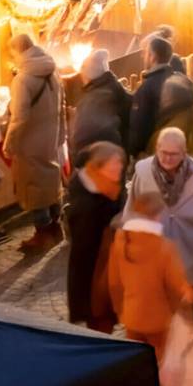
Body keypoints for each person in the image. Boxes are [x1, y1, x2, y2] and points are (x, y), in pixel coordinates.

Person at [106, 189, 193, 370]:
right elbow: (177, 287)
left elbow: (114, 283)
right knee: (160, 366)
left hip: (131, 317)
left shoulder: (120, 242)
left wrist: (120, 310)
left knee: (139, 365)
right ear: (158, 215)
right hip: (158, 321)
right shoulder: (165, 248)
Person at [125, 126, 193, 287]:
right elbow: (130, 211)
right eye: (163, 152)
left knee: (190, 310)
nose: (167, 158)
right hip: (151, 259)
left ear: (184, 153)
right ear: (157, 149)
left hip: (189, 260)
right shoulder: (143, 173)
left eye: (173, 154)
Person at [5, 32, 64, 252]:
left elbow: (19, 116)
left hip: (30, 140)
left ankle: (42, 233)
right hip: (50, 134)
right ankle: (56, 227)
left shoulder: (22, 78)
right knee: (50, 178)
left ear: (18, 51)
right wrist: (61, 134)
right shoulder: (52, 70)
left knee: (33, 185)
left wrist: (9, 143)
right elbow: (62, 105)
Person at [64, 141, 126, 330]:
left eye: (120, 163)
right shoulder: (88, 206)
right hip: (95, 277)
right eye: (113, 164)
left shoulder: (107, 187)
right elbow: (85, 252)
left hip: (106, 268)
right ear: (98, 166)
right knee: (100, 322)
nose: (119, 167)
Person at [129, 34, 190, 157]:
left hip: (159, 153)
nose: (143, 56)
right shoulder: (184, 81)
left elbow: (140, 127)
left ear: (152, 57)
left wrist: (134, 152)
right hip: (182, 147)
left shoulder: (146, 88)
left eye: (145, 53)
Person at [70, 48, 132, 153]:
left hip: (101, 154)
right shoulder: (115, 88)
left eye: (83, 75)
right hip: (116, 152)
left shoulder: (92, 99)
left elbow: (81, 137)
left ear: (89, 76)